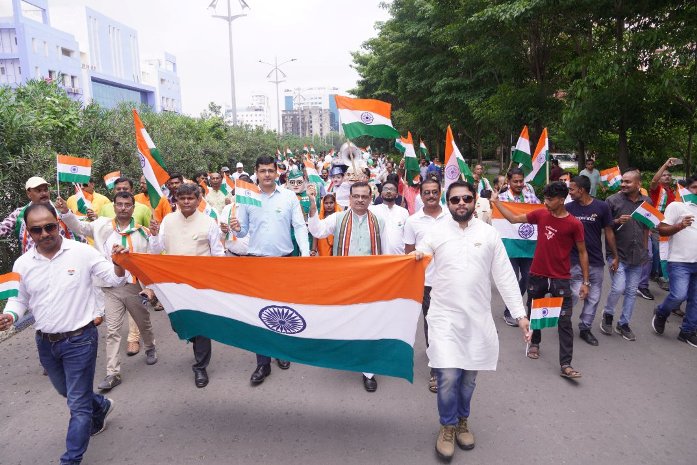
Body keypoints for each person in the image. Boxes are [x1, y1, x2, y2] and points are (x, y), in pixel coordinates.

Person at [411, 180, 531, 461]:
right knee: (449, 376)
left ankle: (463, 421)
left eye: (466, 198)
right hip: (444, 318)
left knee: (468, 380)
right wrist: (415, 256)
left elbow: (505, 276)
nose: (461, 204)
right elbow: (420, 254)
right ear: (448, 203)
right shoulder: (436, 232)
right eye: (455, 200)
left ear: (475, 200)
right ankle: (447, 426)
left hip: (477, 320)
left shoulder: (489, 235)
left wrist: (520, 315)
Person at [1, 203, 128, 465]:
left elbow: (115, 279)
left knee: (78, 405)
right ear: (29, 232)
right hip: (46, 343)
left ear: (58, 223)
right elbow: (19, 300)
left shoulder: (82, 252)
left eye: (50, 226)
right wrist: (10, 316)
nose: (45, 233)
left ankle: (70, 459)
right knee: (67, 392)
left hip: (80, 340)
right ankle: (101, 406)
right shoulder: (22, 263)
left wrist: (118, 264)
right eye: (37, 230)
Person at [56, 191, 158, 391]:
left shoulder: (141, 232)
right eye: (119, 204)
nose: (122, 208)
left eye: (127, 205)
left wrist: (150, 288)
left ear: (133, 208)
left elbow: (151, 258)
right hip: (110, 287)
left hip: (133, 287)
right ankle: (113, 373)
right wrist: (66, 212)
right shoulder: (101, 225)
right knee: (112, 330)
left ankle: (150, 346)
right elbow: (80, 227)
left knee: (143, 322)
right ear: (114, 206)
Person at [493, 181, 588, 378]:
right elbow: (513, 219)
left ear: (562, 200)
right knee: (535, 311)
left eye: (550, 199)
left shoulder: (574, 224)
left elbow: (582, 252)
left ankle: (566, 364)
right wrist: (496, 203)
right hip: (537, 274)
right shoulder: (540, 214)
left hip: (561, 278)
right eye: (544, 198)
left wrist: (586, 282)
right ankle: (535, 343)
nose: (545, 202)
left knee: (564, 321)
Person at [229, 155, 308, 384]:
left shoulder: (289, 196)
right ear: (256, 172)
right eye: (262, 171)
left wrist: (303, 256)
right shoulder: (247, 198)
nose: (266, 175)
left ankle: (282, 352)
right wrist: (237, 227)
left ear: (277, 172)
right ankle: (262, 364)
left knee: (283, 310)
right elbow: (243, 232)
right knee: (259, 313)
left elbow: (300, 227)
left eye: (270, 171)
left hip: (285, 261)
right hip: (257, 263)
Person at [308, 181, 387, 392]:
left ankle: (368, 371)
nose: (360, 200)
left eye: (364, 196)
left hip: (371, 282)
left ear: (370, 198)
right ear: (349, 198)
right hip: (344, 282)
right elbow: (317, 230)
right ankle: (346, 356)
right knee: (345, 321)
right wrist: (313, 207)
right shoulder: (338, 218)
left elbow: (386, 252)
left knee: (370, 324)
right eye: (356, 196)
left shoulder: (379, 220)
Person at [149, 183, 225, 387]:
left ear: (198, 200)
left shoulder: (209, 223)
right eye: (182, 198)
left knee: (200, 326)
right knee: (178, 324)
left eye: (190, 198)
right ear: (176, 200)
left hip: (200, 284)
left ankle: (200, 367)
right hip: (174, 285)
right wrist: (154, 235)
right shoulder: (167, 221)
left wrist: (219, 281)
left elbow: (218, 253)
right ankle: (193, 336)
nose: (186, 202)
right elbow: (156, 250)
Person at [404, 178, 450, 393]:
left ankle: (453, 359)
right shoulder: (413, 221)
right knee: (432, 324)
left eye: (434, 192)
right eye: (427, 193)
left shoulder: (452, 216)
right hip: (428, 283)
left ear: (440, 192)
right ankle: (436, 369)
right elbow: (409, 253)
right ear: (420, 196)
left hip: (453, 281)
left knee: (451, 323)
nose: (431, 196)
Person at [566, 175, 619, 346]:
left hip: (595, 260)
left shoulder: (602, 207)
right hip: (574, 260)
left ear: (581, 190)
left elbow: (609, 232)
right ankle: (564, 323)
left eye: (572, 189)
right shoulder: (568, 208)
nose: (570, 192)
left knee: (594, 297)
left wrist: (615, 255)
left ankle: (585, 328)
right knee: (573, 293)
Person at [600, 168, 651, 341]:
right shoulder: (612, 201)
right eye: (622, 181)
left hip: (637, 256)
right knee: (618, 287)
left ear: (638, 184)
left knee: (631, 291)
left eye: (628, 182)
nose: (623, 184)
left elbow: (646, 227)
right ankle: (608, 315)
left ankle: (623, 324)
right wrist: (616, 221)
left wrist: (645, 250)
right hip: (617, 255)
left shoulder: (646, 201)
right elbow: (604, 226)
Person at [652, 174, 697, 347]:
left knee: (695, 299)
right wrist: (680, 225)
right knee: (679, 295)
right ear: (687, 189)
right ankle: (662, 313)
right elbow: (662, 230)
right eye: (695, 188)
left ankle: (687, 332)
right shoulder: (677, 206)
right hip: (680, 261)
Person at [497, 168, 541, 327]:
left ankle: (517, 306)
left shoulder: (531, 197)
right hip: (509, 246)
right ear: (508, 181)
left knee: (529, 278)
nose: (519, 184)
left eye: (521, 180)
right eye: (515, 181)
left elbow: (539, 215)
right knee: (512, 280)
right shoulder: (501, 199)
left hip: (528, 246)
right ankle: (510, 311)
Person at [0, 176, 80, 253]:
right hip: (33, 264)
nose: (44, 193)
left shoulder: (61, 211)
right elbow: (2, 229)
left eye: (45, 190)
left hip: (61, 261)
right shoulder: (19, 213)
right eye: (38, 191)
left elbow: (79, 232)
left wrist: (66, 213)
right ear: (29, 194)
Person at [369, 180, 409, 254]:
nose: (388, 191)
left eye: (392, 189)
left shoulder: (403, 212)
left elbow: (408, 235)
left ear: (397, 195)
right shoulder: (372, 210)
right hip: (378, 257)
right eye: (385, 189)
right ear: (381, 194)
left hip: (399, 257)